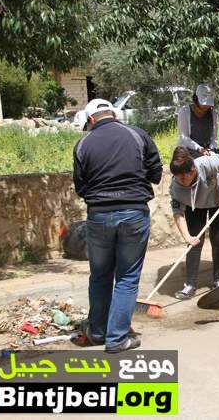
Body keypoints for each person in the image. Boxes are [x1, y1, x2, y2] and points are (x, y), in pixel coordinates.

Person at [73, 98, 162, 353]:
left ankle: (98, 332)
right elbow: (155, 173)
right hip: (134, 213)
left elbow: (81, 187)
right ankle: (117, 338)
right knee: (127, 277)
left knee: (100, 275)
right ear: (114, 113)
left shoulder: (83, 144)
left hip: (98, 215)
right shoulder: (137, 135)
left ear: (90, 119)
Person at [169, 146, 219, 299]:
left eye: (184, 178)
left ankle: (218, 280)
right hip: (195, 206)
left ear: (192, 170)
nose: (182, 182)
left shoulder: (206, 163)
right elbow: (178, 214)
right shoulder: (175, 188)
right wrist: (187, 237)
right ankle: (190, 285)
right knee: (194, 243)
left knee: (218, 239)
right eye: (178, 178)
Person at [177, 83, 219, 220]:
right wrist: (199, 149)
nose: (205, 107)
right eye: (203, 103)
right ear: (195, 99)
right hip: (190, 149)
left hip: (208, 149)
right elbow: (184, 137)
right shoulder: (185, 112)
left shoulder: (214, 114)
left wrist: (211, 148)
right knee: (203, 166)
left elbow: (214, 136)